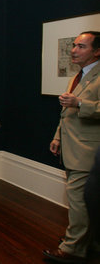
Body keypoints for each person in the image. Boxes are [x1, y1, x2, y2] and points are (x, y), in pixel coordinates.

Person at [44, 31, 100, 263]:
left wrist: (79, 103)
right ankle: (88, 242)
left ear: (97, 51)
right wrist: (58, 136)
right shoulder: (78, 76)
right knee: (86, 200)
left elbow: (77, 105)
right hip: (71, 146)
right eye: (74, 45)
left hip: (87, 150)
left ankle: (72, 248)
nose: (74, 50)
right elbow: (67, 112)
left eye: (81, 46)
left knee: (78, 201)